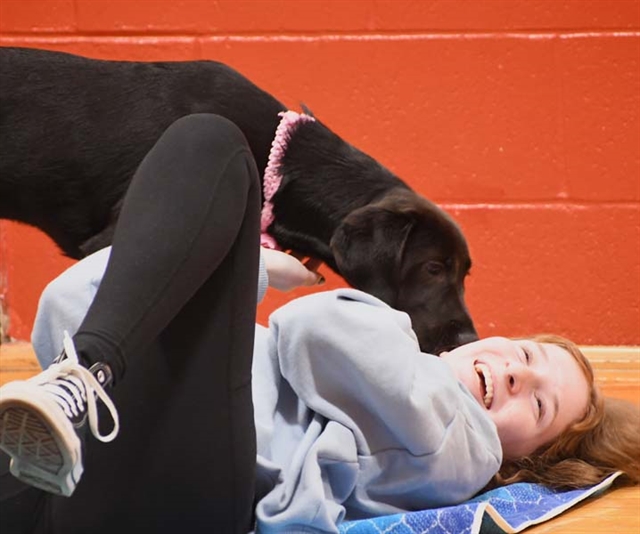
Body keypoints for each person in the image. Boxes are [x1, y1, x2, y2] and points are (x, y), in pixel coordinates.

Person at [0, 114, 638, 534]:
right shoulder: (292, 369)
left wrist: (246, 270)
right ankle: (83, 377)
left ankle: (88, 374)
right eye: (525, 355)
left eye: (540, 403)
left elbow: (316, 330)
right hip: (74, 473)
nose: (513, 374)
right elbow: (70, 300)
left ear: (527, 461)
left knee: (214, 146)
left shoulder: (464, 445)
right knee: (203, 143)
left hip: (188, 493)